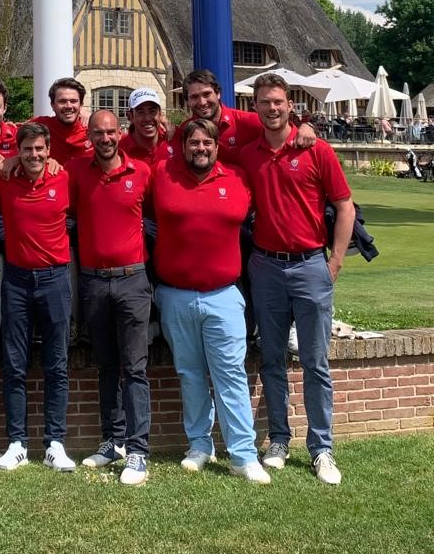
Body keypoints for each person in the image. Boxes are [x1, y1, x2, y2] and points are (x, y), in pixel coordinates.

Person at [239, 73, 354, 486]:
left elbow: (345, 206)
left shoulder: (315, 149)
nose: (272, 108)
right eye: (264, 102)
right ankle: (278, 440)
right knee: (271, 359)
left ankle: (321, 447)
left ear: (290, 105)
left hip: (310, 266)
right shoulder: (249, 155)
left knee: (315, 362)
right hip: (266, 267)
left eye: (278, 102)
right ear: (256, 107)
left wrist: (335, 261)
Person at [151, 119, 270, 484]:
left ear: (217, 146)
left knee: (230, 375)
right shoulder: (161, 174)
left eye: (207, 142)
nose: (200, 148)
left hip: (224, 295)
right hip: (175, 295)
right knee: (189, 374)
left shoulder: (237, 178)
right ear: (182, 146)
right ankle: (200, 445)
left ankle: (243, 455)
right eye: (193, 142)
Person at [67, 110, 152, 486]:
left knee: (134, 368)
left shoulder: (142, 172)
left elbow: (158, 217)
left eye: (110, 132)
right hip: (93, 282)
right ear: (89, 136)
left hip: (133, 281)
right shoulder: (76, 171)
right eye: (97, 133)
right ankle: (112, 441)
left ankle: (138, 449)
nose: (105, 139)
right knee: (106, 367)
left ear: (121, 133)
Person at [0, 122, 75, 472]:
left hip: (55, 279)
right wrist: (1, 159)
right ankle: (17, 443)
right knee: (14, 364)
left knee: (57, 364)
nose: (34, 155)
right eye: (27, 149)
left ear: (49, 150)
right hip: (17, 280)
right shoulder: (6, 177)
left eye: (40, 149)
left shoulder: (63, 177)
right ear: (18, 151)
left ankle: (55, 443)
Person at [179, 69, 317, 165]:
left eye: (206, 94)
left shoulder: (247, 121)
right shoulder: (185, 130)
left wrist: (307, 126)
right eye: (194, 97)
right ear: (187, 101)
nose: (202, 102)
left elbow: (281, 128)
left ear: (218, 94)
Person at [32, 77, 92, 166]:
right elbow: (12, 133)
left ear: (81, 105)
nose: (68, 106)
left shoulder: (94, 130)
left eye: (73, 101)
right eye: (62, 101)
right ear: (52, 105)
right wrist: (15, 158)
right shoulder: (41, 125)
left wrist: (94, 116)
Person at [118, 87, 175, 167]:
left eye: (152, 111)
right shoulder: (119, 151)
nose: (147, 118)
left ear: (160, 114)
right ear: (130, 117)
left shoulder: (176, 140)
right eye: (140, 112)